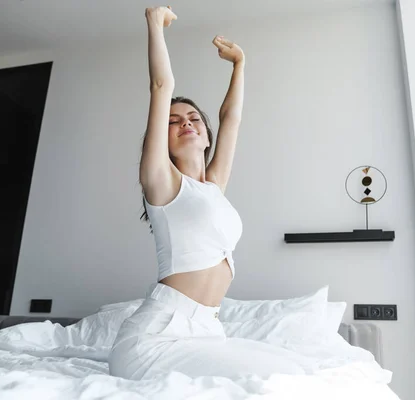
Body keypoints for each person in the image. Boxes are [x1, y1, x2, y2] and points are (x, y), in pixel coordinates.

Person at [109, 6, 311, 381]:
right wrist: (155, 24)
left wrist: (240, 66)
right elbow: (160, 87)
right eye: (173, 122)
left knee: (298, 370)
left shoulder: (213, 186)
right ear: (162, 142)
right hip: (157, 336)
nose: (185, 122)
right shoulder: (162, 182)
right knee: (275, 380)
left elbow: (230, 119)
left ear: (205, 136)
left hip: (206, 330)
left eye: (193, 119)